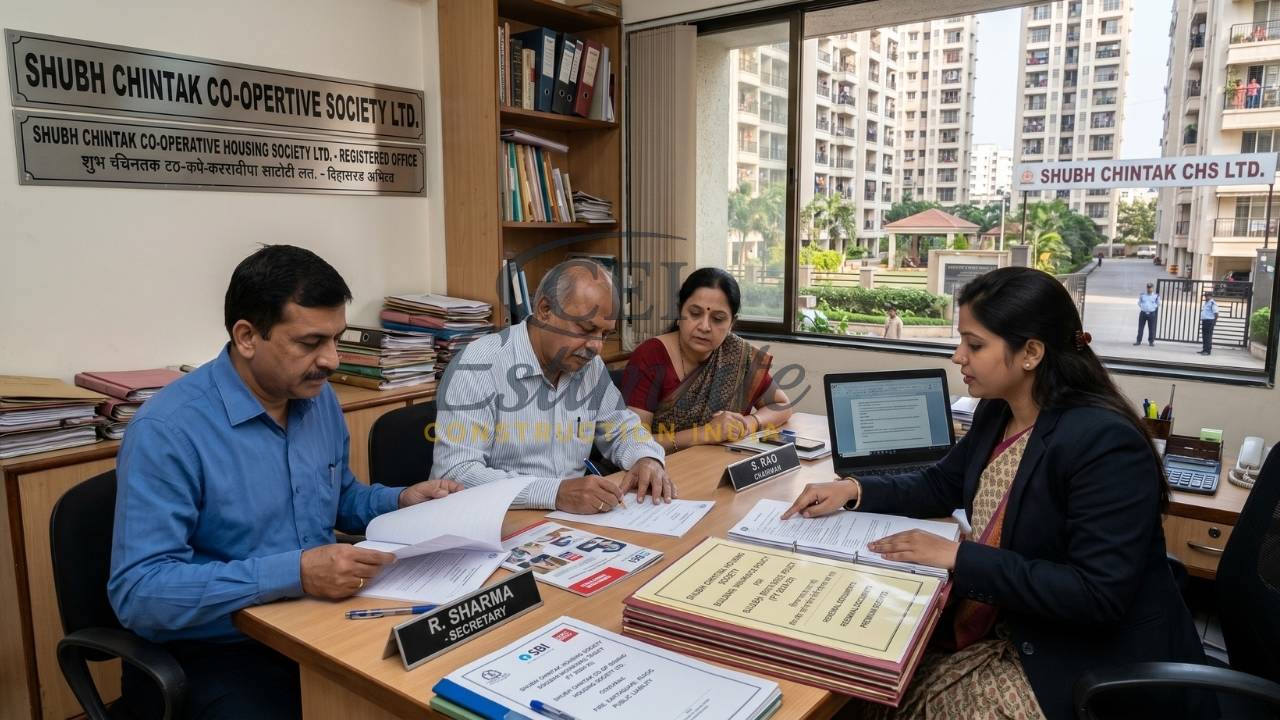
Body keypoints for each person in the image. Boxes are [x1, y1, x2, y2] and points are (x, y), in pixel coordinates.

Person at [783, 267, 1208, 720]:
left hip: (1080, 658)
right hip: (1018, 622)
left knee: (886, 701)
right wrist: (852, 489)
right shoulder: (998, 410)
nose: (957, 356)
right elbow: (939, 484)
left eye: (975, 344)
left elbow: (1096, 594)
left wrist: (956, 558)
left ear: (1031, 353)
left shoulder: (1104, 443)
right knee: (866, 677)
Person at [108, 245, 463, 719]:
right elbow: (140, 592)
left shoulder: (318, 399)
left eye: (336, 339)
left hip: (317, 624)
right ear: (247, 336)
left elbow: (341, 500)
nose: (332, 360)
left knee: (437, 684)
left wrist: (400, 500)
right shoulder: (168, 431)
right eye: (310, 342)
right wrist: (295, 572)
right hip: (217, 651)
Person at [433, 259, 671, 513]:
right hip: (501, 521)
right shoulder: (478, 366)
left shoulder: (589, 365)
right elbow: (456, 474)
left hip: (574, 520)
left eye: (604, 334)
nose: (596, 346)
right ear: (545, 309)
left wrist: (646, 457)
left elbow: (621, 428)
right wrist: (554, 493)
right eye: (586, 328)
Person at [622, 267, 792, 452]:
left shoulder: (737, 354)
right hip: (661, 470)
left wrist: (749, 423)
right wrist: (705, 434)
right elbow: (634, 441)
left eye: (718, 319)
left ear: (731, 324)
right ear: (680, 312)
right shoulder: (651, 356)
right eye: (695, 313)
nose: (704, 326)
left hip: (716, 465)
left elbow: (782, 405)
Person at [1135, 282, 1159, 346]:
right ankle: (1138, 341)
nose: (1149, 289)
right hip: (1143, 313)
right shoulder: (1142, 295)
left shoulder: (1156, 296)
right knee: (1140, 328)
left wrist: (1152, 307)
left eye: (1150, 288)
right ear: (1146, 288)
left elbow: (1158, 304)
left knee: (1151, 328)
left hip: (1151, 314)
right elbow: (1139, 302)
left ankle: (1151, 342)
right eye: (1148, 288)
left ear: (1153, 288)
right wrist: (1143, 307)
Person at [1199, 290, 1219, 355]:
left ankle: (1208, 351)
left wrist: (1214, 322)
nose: (1206, 297)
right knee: (1204, 336)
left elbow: (1216, 314)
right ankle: (1204, 349)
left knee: (1208, 336)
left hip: (1209, 321)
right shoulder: (1207, 303)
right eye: (1205, 296)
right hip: (1205, 321)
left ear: (1211, 296)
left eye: (1207, 296)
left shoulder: (1212, 303)